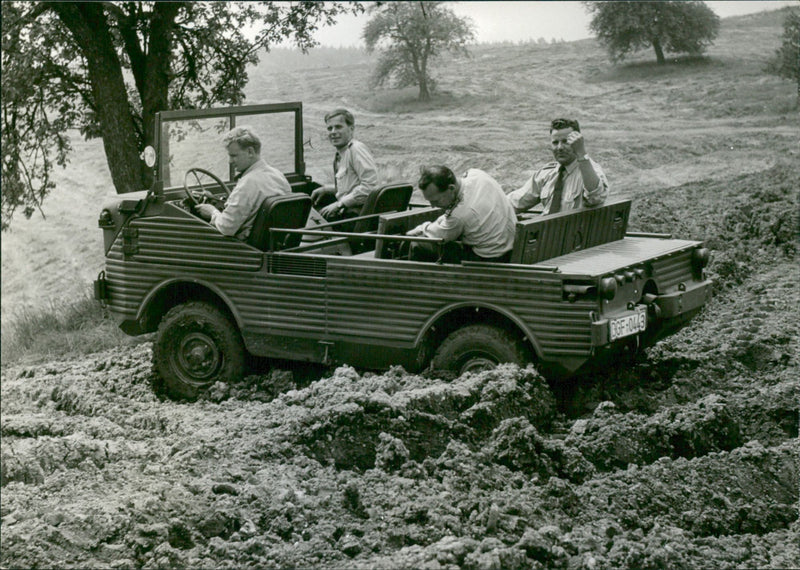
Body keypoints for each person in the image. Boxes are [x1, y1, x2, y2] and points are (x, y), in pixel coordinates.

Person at [195, 126, 291, 240]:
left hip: (244, 248)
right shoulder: (278, 176)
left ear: (250, 152)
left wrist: (212, 211)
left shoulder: (247, 183)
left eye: (233, 155)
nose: (230, 161)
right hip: (272, 243)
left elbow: (226, 228)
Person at [406, 165, 517, 263]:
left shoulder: (460, 215)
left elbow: (438, 235)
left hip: (488, 259)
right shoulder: (478, 174)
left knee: (418, 245)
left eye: (436, 201)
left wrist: (420, 229)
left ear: (451, 188)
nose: (432, 206)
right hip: (509, 248)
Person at [507, 118, 609, 215]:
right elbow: (517, 201)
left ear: (577, 143)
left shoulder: (589, 173)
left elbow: (595, 196)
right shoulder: (547, 174)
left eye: (565, 142)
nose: (560, 147)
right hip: (549, 230)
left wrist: (581, 152)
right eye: (555, 143)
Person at [310, 108, 379, 221]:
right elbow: (351, 186)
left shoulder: (356, 149)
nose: (333, 132)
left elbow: (370, 186)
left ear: (351, 129)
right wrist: (327, 189)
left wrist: (339, 204)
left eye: (338, 127)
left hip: (357, 215)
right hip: (352, 212)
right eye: (329, 128)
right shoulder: (342, 153)